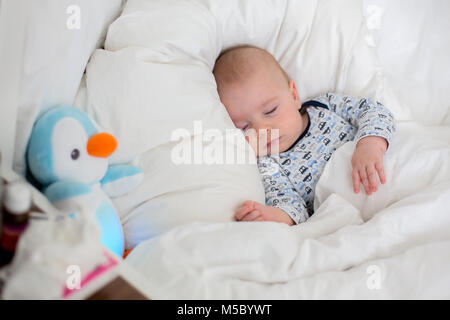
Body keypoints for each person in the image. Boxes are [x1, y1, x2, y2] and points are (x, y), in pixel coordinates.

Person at [213, 45, 396, 226]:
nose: (262, 131)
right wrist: (272, 216)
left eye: (270, 111)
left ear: (293, 95)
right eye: (244, 128)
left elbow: (374, 111)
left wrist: (370, 145)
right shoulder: (268, 165)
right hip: (352, 205)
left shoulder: (324, 105)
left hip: (387, 167)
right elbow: (293, 207)